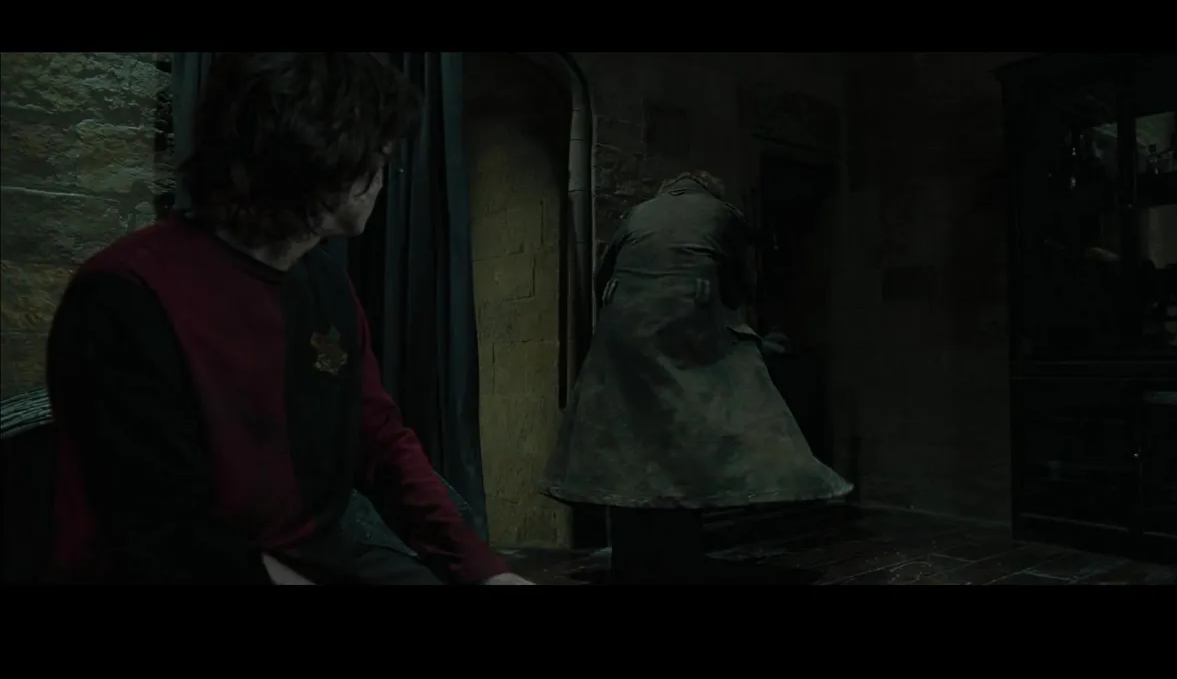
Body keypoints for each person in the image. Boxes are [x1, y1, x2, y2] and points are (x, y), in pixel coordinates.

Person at [45, 53, 531, 585]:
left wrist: (485, 572)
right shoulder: (125, 292)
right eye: (376, 158)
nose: (383, 176)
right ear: (318, 158)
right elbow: (154, 522)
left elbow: (380, 442)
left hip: (312, 555)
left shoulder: (323, 283)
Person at [541, 169, 852, 583]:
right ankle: (682, 557)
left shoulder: (638, 213)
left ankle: (632, 561)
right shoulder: (722, 214)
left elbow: (603, 276)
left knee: (628, 442)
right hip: (686, 332)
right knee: (693, 436)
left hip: (622, 337)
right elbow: (740, 285)